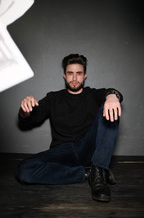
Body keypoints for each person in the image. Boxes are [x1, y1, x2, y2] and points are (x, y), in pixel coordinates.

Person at [16, 54, 123, 202]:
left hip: (88, 147)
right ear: (64, 75)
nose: (74, 78)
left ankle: (99, 175)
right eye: (70, 73)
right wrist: (25, 110)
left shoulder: (92, 94)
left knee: (110, 107)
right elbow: (29, 119)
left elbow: (111, 92)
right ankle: (87, 173)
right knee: (24, 170)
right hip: (62, 152)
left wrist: (112, 96)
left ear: (84, 76)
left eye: (78, 73)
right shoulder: (53, 98)